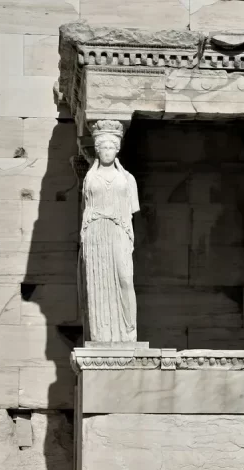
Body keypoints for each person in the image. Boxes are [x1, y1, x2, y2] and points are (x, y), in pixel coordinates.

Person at [78, 120, 140, 342]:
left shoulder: (127, 179)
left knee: (125, 278)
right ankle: (102, 334)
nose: (106, 151)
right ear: (97, 150)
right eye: (102, 147)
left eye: (110, 147)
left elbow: (132, 211)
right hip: (96, 232)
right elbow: (87, 208)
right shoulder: (90, 178)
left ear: (117, 149)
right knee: (98, 283)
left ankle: (128, 329)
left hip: (119, 231)